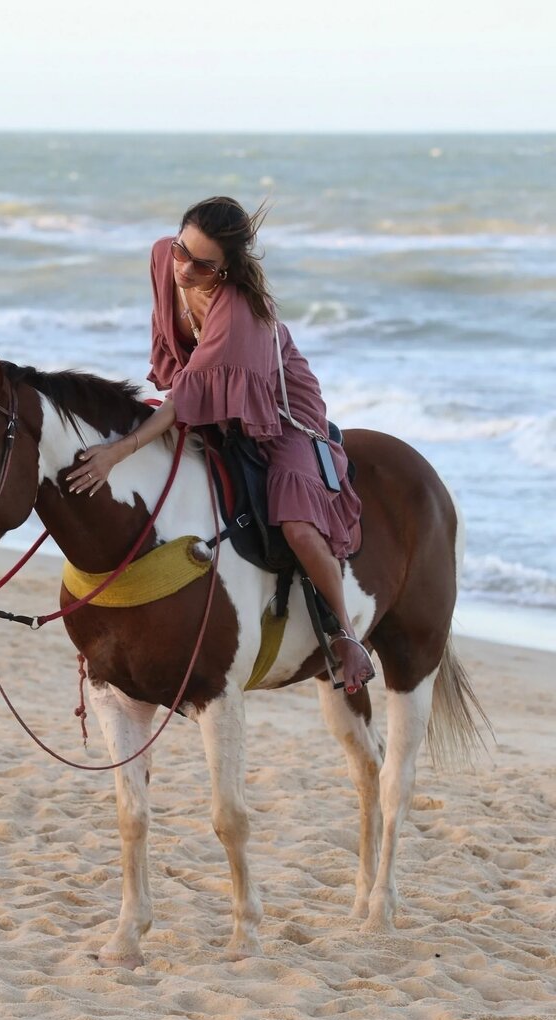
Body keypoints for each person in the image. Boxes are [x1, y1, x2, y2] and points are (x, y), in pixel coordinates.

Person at [67, 197, 375, 693]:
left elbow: (184, 399)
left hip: (280, 410)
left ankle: (344, 633)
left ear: (227, 269)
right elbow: (182, 378)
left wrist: (116, 453)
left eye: (203, 265)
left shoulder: (237, 313)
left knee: (296, 526)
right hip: (208, 391)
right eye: (182, 251)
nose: (185, 269)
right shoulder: (162, 256)